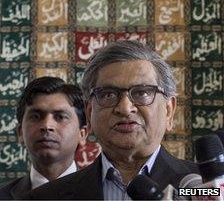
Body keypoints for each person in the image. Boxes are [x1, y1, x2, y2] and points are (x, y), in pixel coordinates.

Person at [21, 41, 199, 200]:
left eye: (142, 93)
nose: (125, 108)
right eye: (108, 95)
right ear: (90, 112)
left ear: (168, 111)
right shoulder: (45, 197)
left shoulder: (205, 188)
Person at [0, 76, 87, 200]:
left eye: (60, 117)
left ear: (82, 134)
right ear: (20, 132)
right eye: (36, 117)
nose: (47, 126)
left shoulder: (105, 194)